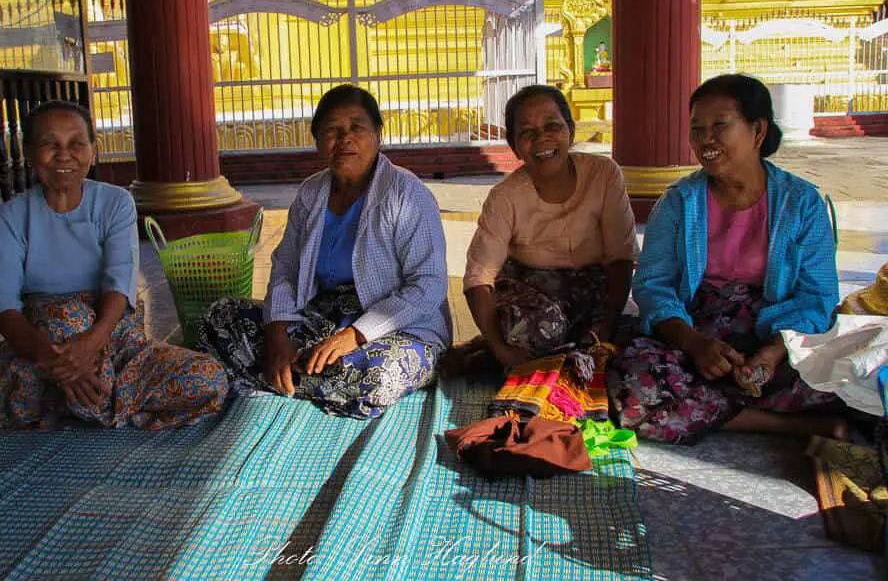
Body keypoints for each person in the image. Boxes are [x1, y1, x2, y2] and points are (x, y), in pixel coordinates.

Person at [0, 101, 228, 435]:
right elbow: (2, 303)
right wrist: (53, 357)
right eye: (50, 145)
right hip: (41, 350)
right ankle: (100, 401)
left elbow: (120, 282)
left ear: (93, 151)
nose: (64, 155)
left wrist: (89, 345)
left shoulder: (115, 203)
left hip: (112, 337)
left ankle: (76, 403)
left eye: (76, 144)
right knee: (64, 317)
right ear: (29, 154)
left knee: (209, 378)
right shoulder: (11, 217)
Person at [608, 74, 844, 444]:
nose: (706, 139)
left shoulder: (801, 204)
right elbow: (654, 285)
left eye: (720, 125)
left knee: (848, 376)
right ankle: (800, 425)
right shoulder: (678, 203)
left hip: (775, 327)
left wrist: (773, 352)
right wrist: (694, 344)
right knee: (636, 393)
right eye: (697, 128)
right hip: (697, 330)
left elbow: (818, 295)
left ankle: (704, 407)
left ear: (757, 130)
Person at [197, 84, 450, 419]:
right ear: (318, 141)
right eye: (332, 130)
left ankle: (274, 377)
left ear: (378, 134)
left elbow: (429, 285)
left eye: (357, 127)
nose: (345, 138)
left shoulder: (407, 194)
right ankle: (294, 374)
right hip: (323, 320)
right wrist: (277, 338)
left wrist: (355, 336)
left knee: (377, 374)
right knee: (220, 316)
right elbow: (285, 269)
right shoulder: (311, 193)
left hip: (398, 328)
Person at [445, 84, 639, 375]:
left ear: (570, 131)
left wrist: (606, 330)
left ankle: (496, 353)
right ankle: (501, 350)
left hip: (593, 289)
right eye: (527, 132)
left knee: (634, 338)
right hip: (529, 290)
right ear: (513, 146)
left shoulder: (604, 175)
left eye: (552, 125)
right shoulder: (505, 197)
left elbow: (621, 257)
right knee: (545, 326)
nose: (542, 138)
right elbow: (478, 280)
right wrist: (502, 351)